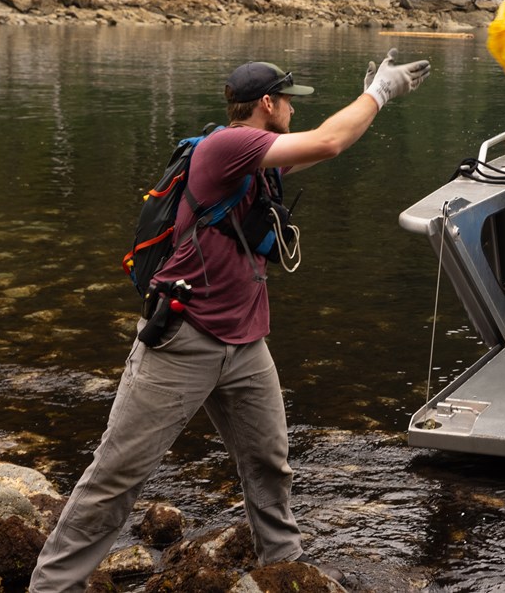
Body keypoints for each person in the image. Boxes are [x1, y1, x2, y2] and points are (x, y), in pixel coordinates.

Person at [29, 51, 430, 592]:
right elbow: (329, 141)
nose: (292, 109)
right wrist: (379, 93)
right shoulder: (228, 146)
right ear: (267, 103)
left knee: (269, 465)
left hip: (244, 343)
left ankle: (282, 570)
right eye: (288, 100)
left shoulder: (254, 161)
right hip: (184, 339)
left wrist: (367, 103)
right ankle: (53, 586)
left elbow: (323, 144)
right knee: (117, 475)